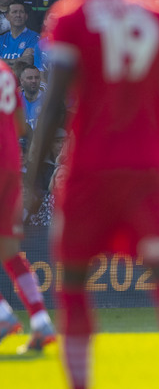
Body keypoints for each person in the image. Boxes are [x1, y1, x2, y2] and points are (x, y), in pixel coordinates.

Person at [29, 0, 159, 387]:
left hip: (89, 167)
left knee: (72, 286)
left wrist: (34, 177)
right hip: (145, 167)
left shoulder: (71, 15)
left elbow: (55, 102)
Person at [0, 58, 55, 351]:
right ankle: (41, 321)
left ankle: (3, 317)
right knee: (9, 252)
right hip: (10, 168)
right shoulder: (5, 72)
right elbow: (20, 125)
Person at [0, 1, 38, 67]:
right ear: (7, 16)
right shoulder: (1, 39)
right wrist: (19, 60)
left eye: (21, 12)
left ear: (26, 16)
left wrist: (4, 62)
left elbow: (27, 62)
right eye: (14, 12)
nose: (18, 15)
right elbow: (21, 64)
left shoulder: (35, 38)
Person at [19, 64, 43, 130]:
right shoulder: (15, 101)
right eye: (30, 78)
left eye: (37, 77)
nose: (34, 81)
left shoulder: (48, 100)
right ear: (21, 81)